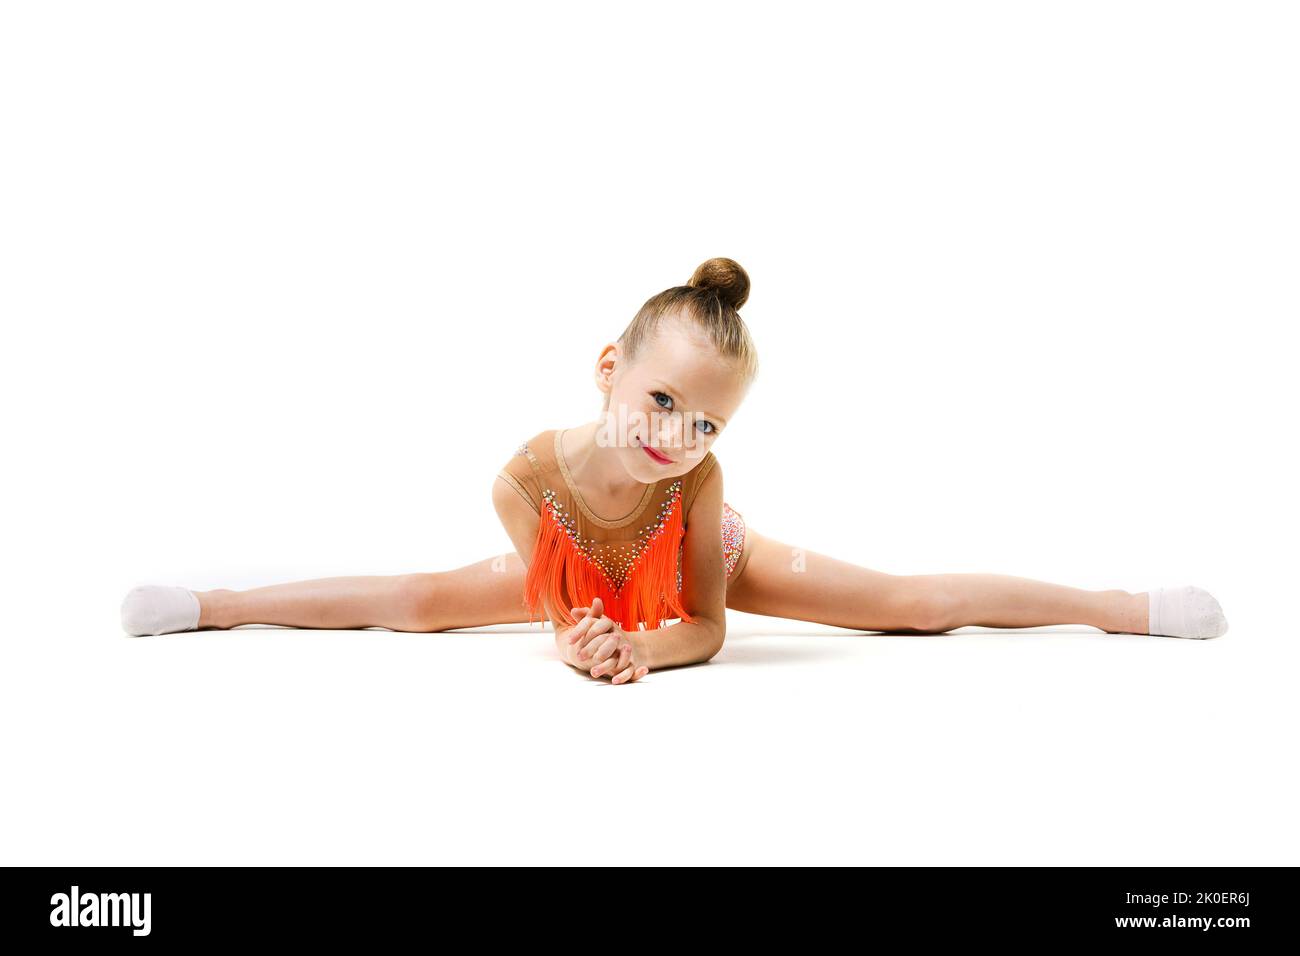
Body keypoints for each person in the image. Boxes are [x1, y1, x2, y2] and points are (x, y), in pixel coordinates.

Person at [120, 257, 1229, 684]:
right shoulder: (522, 479)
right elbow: (558, 604)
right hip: (572, 563)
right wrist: (578, 635)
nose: (675, 435)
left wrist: (639, 647)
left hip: (690, 568)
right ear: (610, 369)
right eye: (660, 401)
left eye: (703, 422)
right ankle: (212, 605)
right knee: (413, 600)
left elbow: (705, 624)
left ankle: (1122, 608)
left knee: (908, 605)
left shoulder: (694, 484)